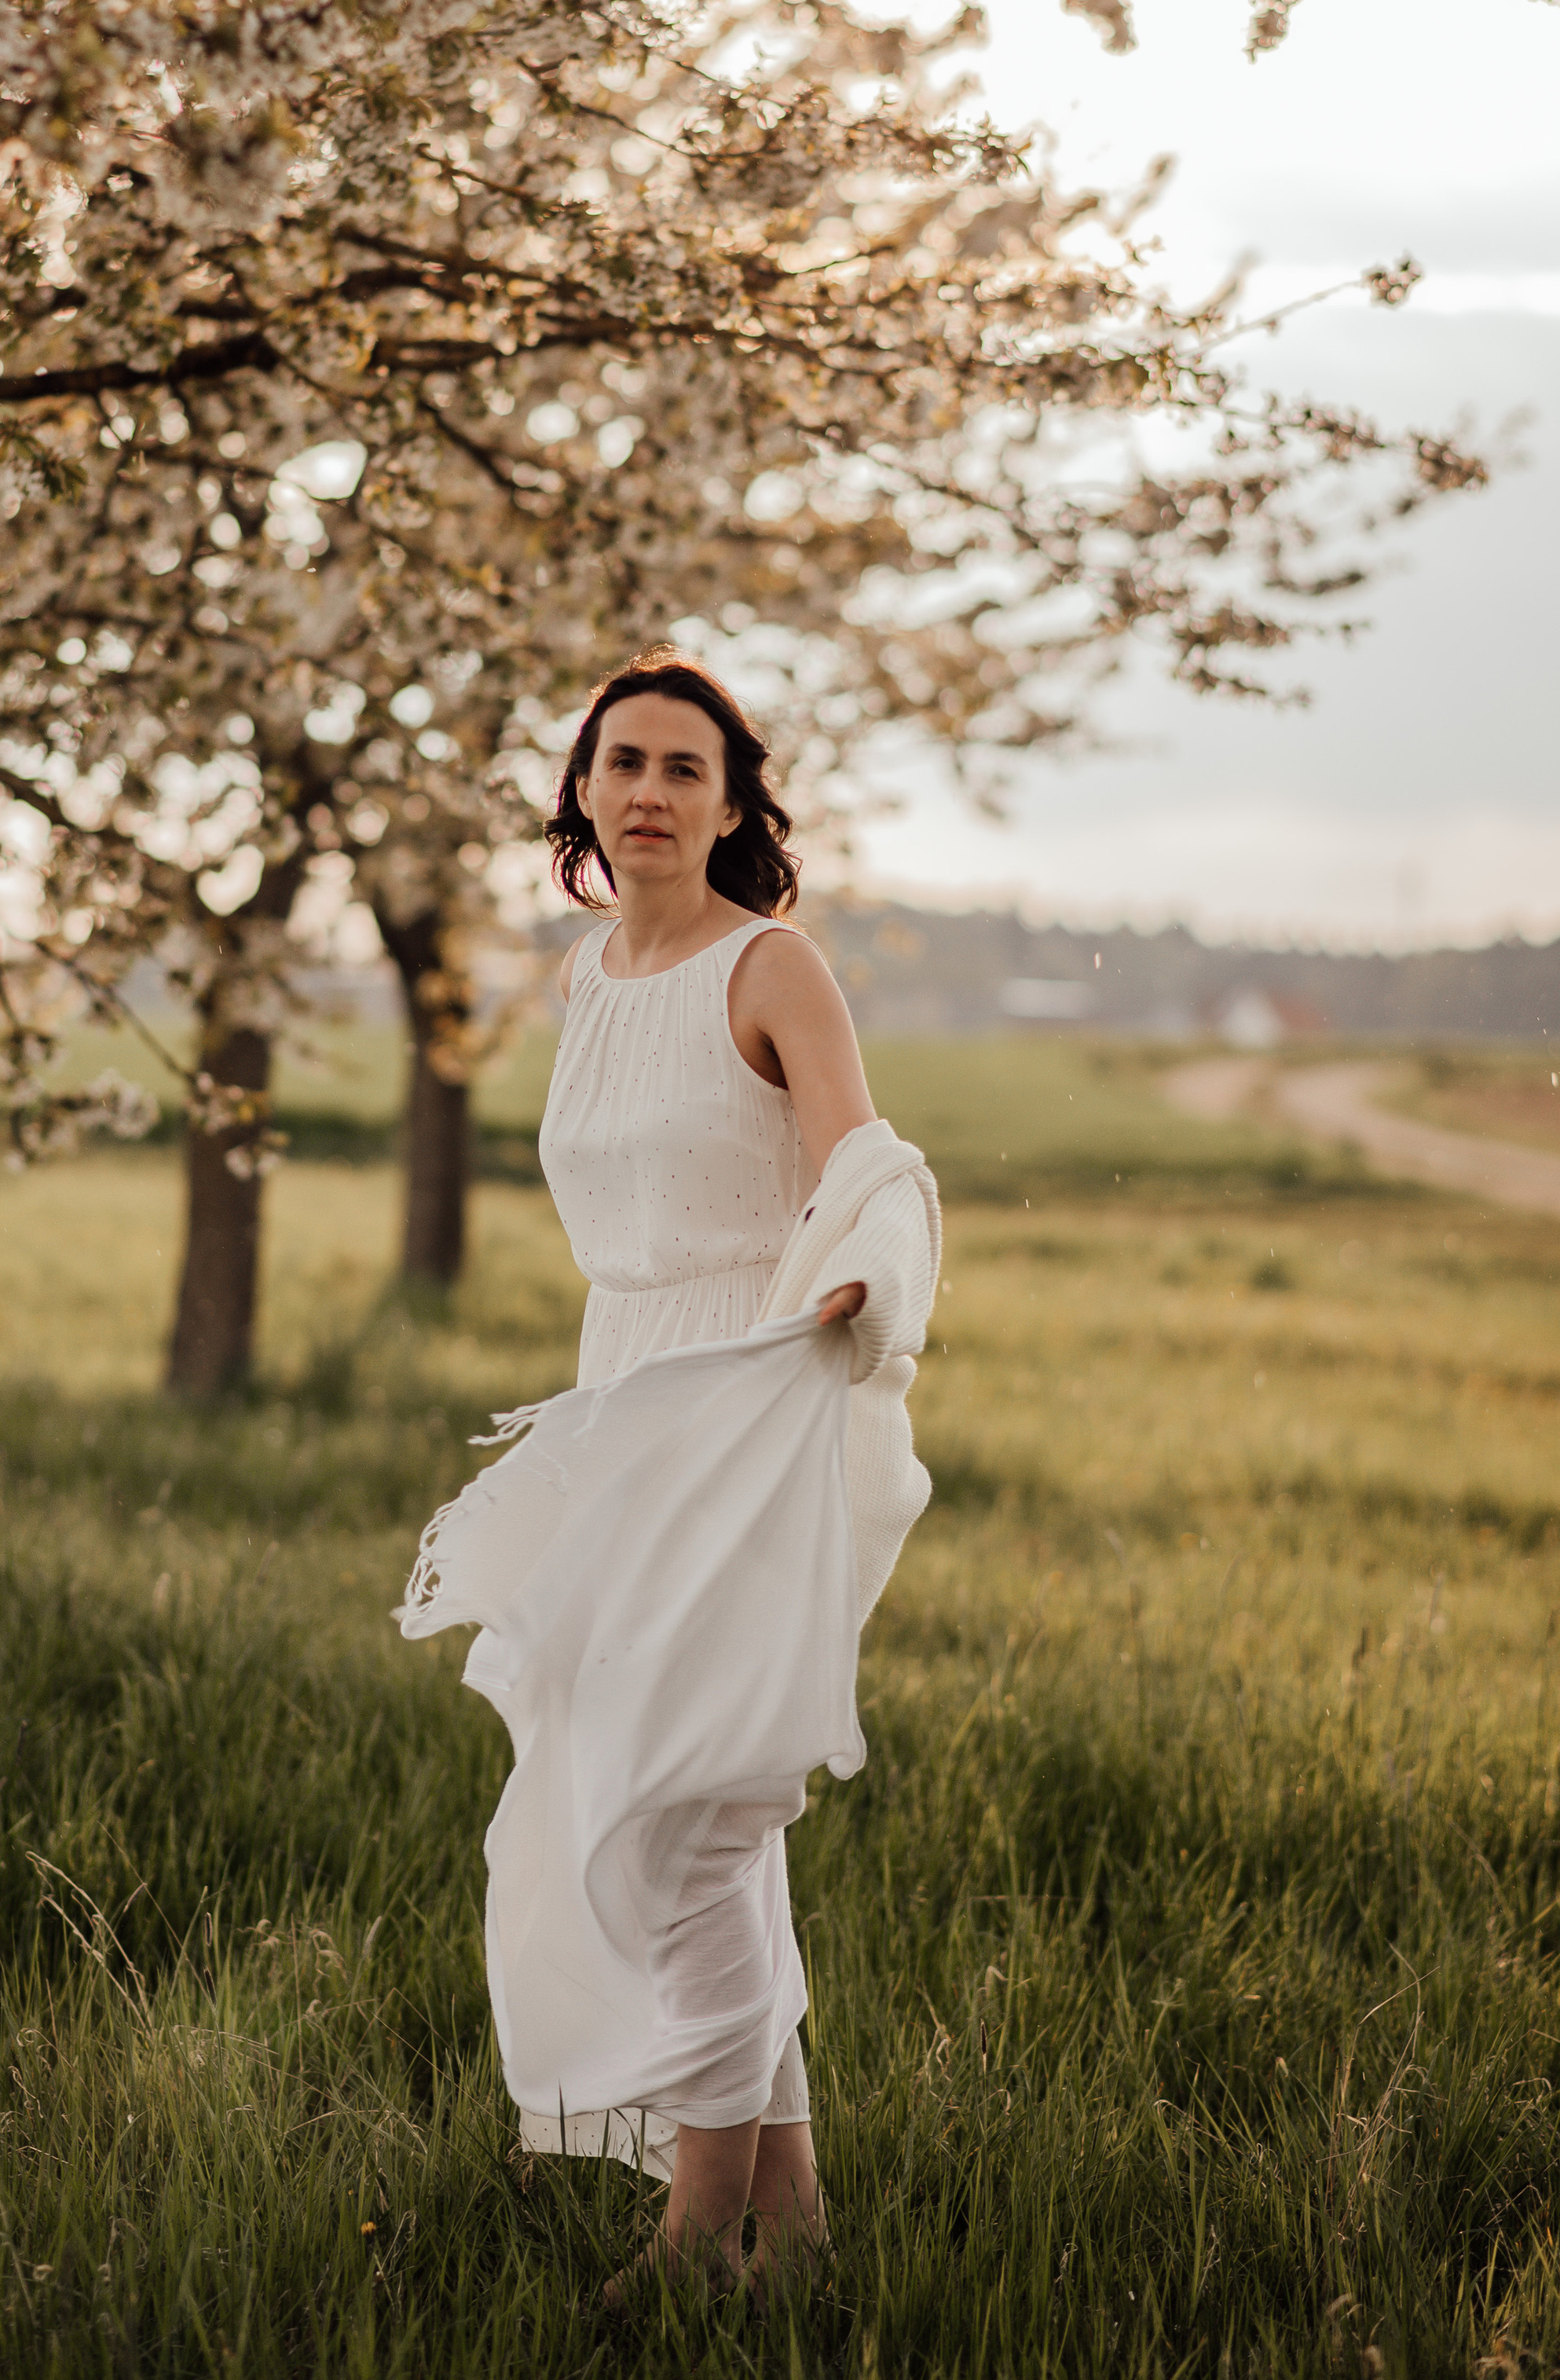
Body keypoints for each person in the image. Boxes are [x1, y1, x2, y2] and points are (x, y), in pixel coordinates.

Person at [400, 649, 940, 2304]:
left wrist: (857, 1283)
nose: (648, 790)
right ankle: (796, 2224)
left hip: (749, 1400)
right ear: (581, 790)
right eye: (622, 761)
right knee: (690, 1817)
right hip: (624, 1398)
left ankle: (696, 2233)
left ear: (728, 804)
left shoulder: (770, 965)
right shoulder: (585, 977)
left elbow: (866, 1166)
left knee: (688, 1826)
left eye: (683, 768)